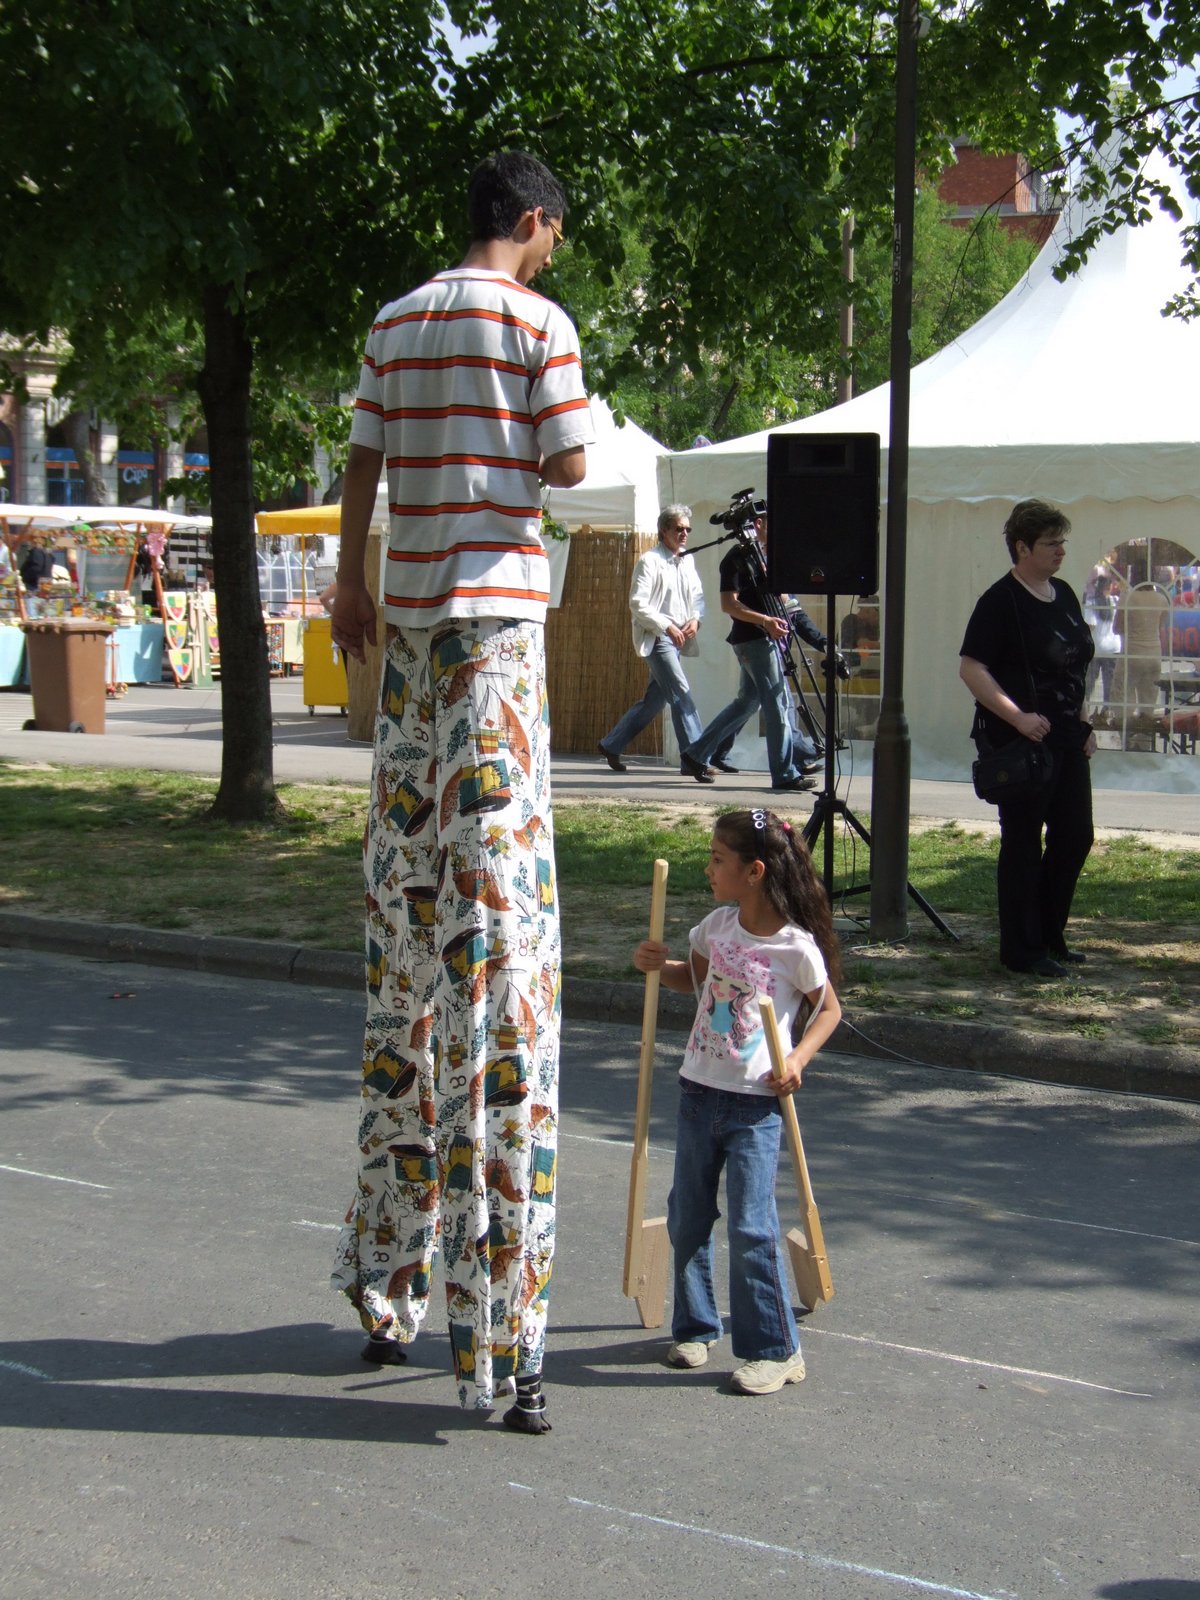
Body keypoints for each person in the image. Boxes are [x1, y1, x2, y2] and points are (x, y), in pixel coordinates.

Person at [329, 151, 593, 1434]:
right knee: (499, 964)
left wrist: (350, 579)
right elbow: (571, 464)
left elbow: (362, 467)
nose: (555, 252)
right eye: (555, 232)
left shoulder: (394, 321)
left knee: (409, 947)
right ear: (531, 221)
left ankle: (390, 1282)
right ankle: (504, 1333)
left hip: (408, 652)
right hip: (492, 651)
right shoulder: (540, 325)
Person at [632, 807, 841, 1393]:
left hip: (754, 1104)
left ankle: (776, 1350)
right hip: (698, 1090)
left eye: (717, 860)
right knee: (688, 1216)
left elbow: (829, 1010)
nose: (708, 869)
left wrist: (797, 1059)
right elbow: (693, 981)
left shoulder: (796, 948)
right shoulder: (716, 927)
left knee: (752, 1227)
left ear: (754, 871)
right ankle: (696, 1327)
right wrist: (659, 967)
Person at [959, 500, 1096, 979]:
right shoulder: (1000, 601)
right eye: (1051, 543)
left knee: (1076, 836)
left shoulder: (1064, 594)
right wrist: (1018, 718)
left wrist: (1084, 722)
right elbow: (972, 668)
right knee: (1022, 842)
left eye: (1062, 542)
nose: (1061, 550)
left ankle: (1050, 935)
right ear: (1022, 547)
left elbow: (1075, 666)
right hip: (1021, 744)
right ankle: (1022, 950)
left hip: (1067, 737)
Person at [682, 509, 821, 792]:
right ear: (759, 524)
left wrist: (821, 641)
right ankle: (784, 774)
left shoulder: (771, 559)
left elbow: (790, 605)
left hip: (763, 641)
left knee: (746, 703)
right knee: (778, 704)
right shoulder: (736, 558)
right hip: (754, 641)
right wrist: (765, 620)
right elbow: (729, 604)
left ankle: (696, 754)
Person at [597, 505, 709, 778]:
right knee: (681, 692)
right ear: (664, 530)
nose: (684, 534)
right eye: (678, 528)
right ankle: (695, 758)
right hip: (657, 637)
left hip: (678, 638)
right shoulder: (649, 561)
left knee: (654, 702)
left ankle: (612, 744)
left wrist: (695, 618)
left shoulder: (686, 560)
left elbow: (697, 596)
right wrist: (666, 625)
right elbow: (638, 603)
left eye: (687, 529)